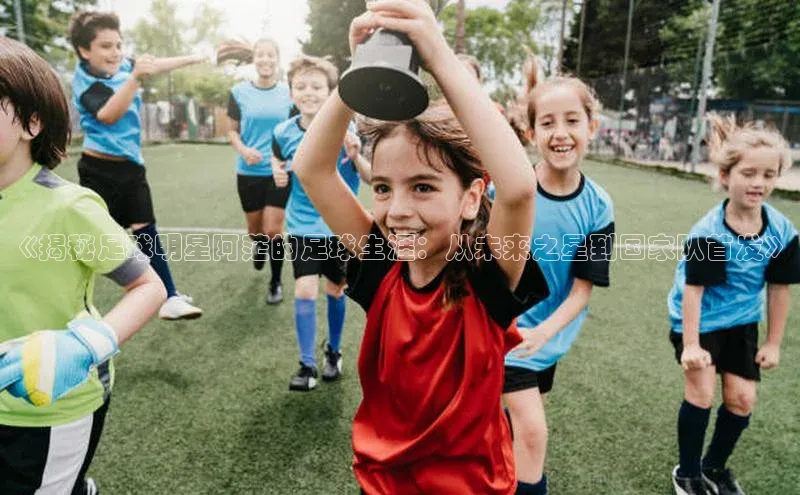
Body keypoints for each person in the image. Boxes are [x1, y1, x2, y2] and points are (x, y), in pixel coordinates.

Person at [291, 1, 549, 492]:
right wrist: (359, 72)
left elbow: (518, 188)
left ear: (471, 198)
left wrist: (437, 54)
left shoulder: (487, 275)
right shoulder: (381, 264)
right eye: (383, 188)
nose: (398, 210)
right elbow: (312, 169)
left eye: (423, 187)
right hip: (383, 483)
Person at [0, 37, 166, 494]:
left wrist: (86, 345)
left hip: (50, 409)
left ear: (32, 122)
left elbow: (149, 287)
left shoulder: (68, 207)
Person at [667, 114, 800, 495]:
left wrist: (772, 342)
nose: (759, 183)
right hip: (699, 321)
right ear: (726, 176)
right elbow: (693, 292)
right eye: (749, 173)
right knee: (701, 393)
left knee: (742, 399)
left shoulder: (782, 232)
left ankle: (714, 467)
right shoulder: (708, 233)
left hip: (741, 322)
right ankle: (688, 473)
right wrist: (691, 345)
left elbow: (779, 289)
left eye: (768, 175)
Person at [502, 57, 615, 495]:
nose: (560, 132)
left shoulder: (598, 206)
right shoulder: (511, 191)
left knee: (514, 430)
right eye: (547, 122)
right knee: (533, 434)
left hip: (546, 340)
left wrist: (543, 333)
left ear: (592, 127)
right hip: (504, 336)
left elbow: (581, 292)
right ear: (532, 133)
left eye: (572, 120)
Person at [68, 10, 204, 320]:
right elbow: (107, 114)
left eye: (119, 45)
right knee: (96, 242)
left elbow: (156, 64)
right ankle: (75, 307)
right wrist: (134, 78)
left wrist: (196, 58)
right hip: (99, 171)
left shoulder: (124, 67)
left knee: (146, 231)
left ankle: (169, 297)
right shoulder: (85, 82)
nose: (115, 52)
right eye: (106, 46)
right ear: (84, 51)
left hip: (131, 168)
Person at [271, 55, 371, 391]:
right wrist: (277, 172)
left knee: (336, 289)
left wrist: (356, 156)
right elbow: (278, 159)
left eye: (316, 86)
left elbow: (369, 177)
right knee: (304, 289)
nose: (308, 92)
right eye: (300, 86)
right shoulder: (282, 132)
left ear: (330, 93)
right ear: (291, 93)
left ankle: (334, 351)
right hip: (302, 226)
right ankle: (307, 365)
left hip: (339, 226)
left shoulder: (347, 131)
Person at [224, 38, 295, 304]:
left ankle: (275, 282)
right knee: (256, 231)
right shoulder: (238, 92)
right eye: (260, 55)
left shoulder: (289, 93)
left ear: (277, 58)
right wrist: (244, 150)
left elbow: (297, 128)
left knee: (273, 230)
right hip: (249, 172)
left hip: (280, 171)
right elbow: (232, 131)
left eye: (270, 54)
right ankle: (259, 244)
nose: (265, 59)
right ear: (254, 59)